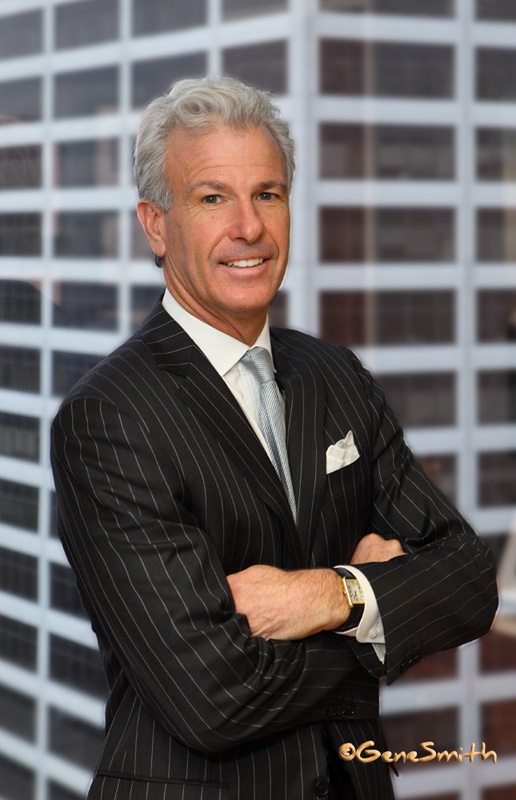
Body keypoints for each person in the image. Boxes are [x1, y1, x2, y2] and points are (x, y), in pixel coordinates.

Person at [50, 76, 498, 800]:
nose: (249, 227)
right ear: (156, 225)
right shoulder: (109, 418)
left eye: (268, 194)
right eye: (212, 198)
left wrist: (334, 596)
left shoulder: (335, 374)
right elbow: (213, 697)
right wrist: (387, 619)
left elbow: (471, 580)